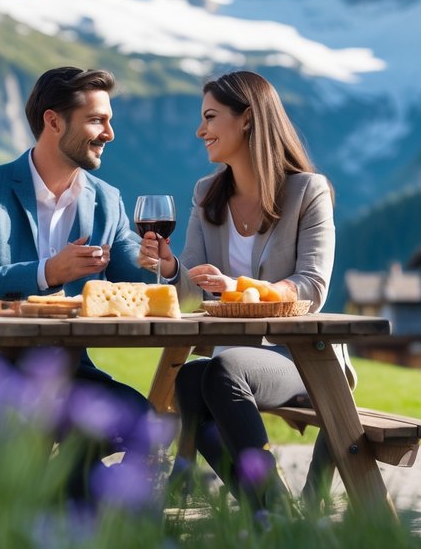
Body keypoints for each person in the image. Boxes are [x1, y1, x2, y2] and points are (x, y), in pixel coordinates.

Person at [0, 66, 159, 497]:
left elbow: (138, 285)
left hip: (63, 370)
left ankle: (65, 509)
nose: (109, 133)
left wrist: (165, 265)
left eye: (109, 120)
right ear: (54, 121)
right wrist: (47, 272)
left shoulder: (107, 201)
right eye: (97, 120)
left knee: (141, 420)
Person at [137, 70, 352, 512]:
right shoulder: (206, 195)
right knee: (193, 379)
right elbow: (195, 293)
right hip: (231, 360)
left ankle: (271, 516)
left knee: (218, 370)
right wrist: (171, 267)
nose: (201, 131)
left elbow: (312, 288)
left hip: (302, 358)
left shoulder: (308, 192)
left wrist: (239, 288)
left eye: (211, 117)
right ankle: (273, 512)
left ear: (248, 119)